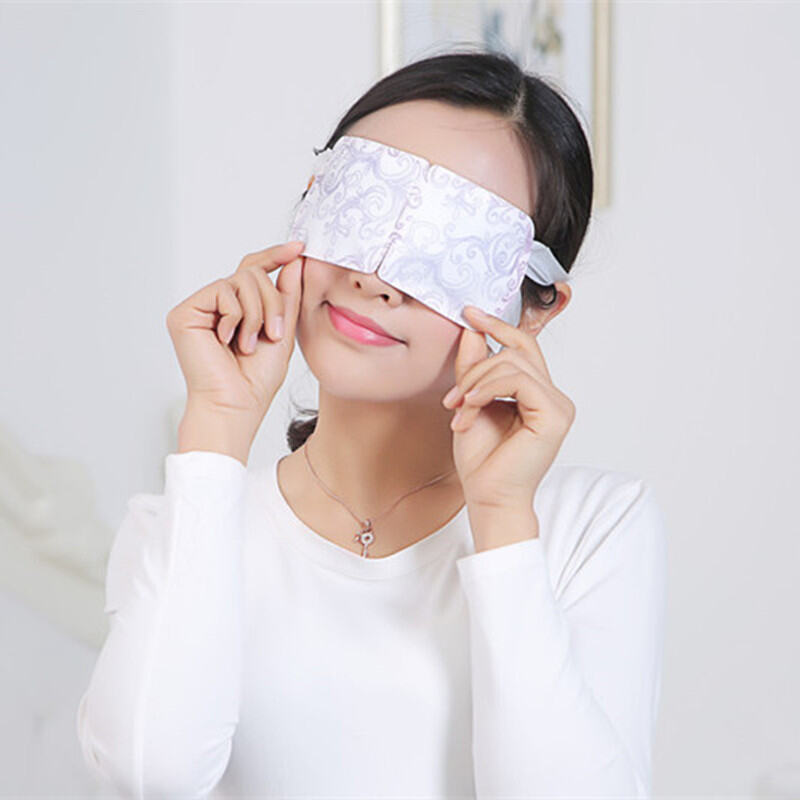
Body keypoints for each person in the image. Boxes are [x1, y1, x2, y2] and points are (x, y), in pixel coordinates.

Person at [76, 49, 668, 798]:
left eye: (448, 243)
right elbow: (150, 774)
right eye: (360, 201)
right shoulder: (182, 522)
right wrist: (217, 427)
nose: (374, 276)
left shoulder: (595, 527)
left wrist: (501, 520)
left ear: (534, 306)